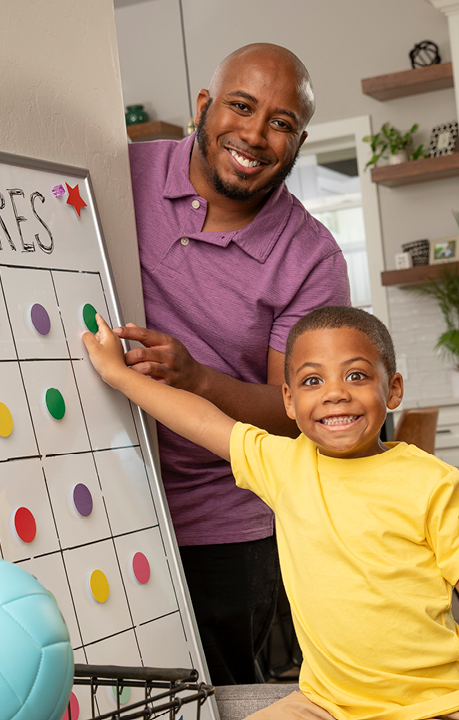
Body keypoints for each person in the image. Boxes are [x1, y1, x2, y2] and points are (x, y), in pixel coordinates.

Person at [81, 306, 459, 720]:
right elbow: (198, 419)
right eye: (312, 382)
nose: (335, 393)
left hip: (436, 704)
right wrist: (118, 375)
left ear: (394, 389)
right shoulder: (284, 464)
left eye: (357, 375)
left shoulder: (430, 481)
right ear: (288, 401)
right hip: (327, 704)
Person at [120, 43, 350, 683]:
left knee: (219, 692)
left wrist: (195, 378)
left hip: (227, 521)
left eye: (280, 122)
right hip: (104, 494)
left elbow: (292, 413)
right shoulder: (118, 172)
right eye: (241, 107)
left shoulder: (311, 258)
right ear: (204, 106)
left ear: (299, 140)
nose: (254, 135)